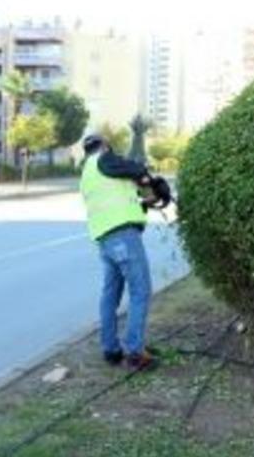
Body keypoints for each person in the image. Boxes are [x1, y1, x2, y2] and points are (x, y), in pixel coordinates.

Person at [79, 134, 171, 371]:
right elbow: (136, 168)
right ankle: (134, 353)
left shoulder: (88, 174)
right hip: (123, 238)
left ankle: (111, 350)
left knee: (110, 294)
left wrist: (147, 201)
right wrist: (150, 179)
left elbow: (123, 201)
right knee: (141, 290)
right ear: (105, 147)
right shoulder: (104, 160)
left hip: (105, 240)